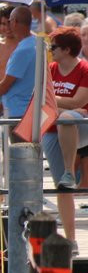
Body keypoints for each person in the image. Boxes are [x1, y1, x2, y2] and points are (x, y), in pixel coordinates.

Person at [46, 27, 88, 246]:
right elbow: (40, 99)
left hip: (81, 127)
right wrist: (64, 107)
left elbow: (78, 103)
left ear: (67, 49)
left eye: (53, 47)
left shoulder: (84, 69)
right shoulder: (50, 69)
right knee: (62, 187)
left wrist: (57, 104)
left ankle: (71, 171)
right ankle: (70, 240)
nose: (50, 51)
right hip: (54, 128)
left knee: (68, 117)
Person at [0, 6, 36, 121]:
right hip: (25, 110)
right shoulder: (35, 43)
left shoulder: (23, 50)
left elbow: (6, 85)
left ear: (14, 22)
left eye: (9, 21)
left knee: (20, 140)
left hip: (19, 112)